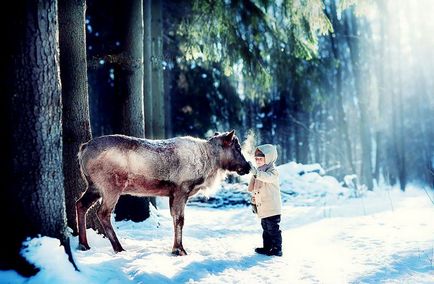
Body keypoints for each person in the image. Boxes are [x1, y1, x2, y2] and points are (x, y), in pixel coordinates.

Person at [248, 144, 282, 257]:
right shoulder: (259, 171)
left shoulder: (273, 172)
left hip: (272, 208)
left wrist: (255, 173)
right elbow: (256, 190)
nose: (257, 161)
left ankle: (277, 249)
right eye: (256, 159)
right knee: (266, 229)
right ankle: (267, 247)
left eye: (260, 159)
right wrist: (254, 201)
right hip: (263, 208)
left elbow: (266, 177)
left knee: (273, 229)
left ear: (268, 158)